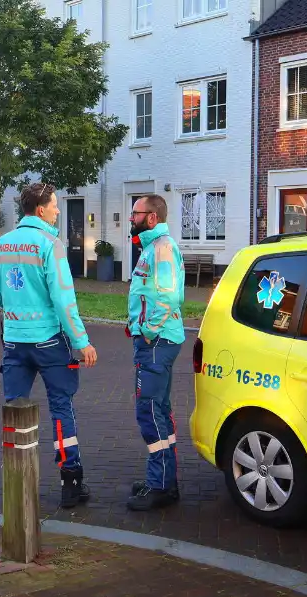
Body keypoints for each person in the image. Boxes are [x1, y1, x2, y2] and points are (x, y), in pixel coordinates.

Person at [0, 182, 98, 509]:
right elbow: (64, 300)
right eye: (54, 205)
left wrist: (17, 304)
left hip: (14, 341)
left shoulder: (1, 245)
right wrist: (82, 342)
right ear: (40, 210)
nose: (58, 210)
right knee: (61, 407)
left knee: (15, 408)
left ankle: (17, 480)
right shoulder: (51, 244)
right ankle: (71, 482)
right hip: (49, 341)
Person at [125, 193, 186, 511]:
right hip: (158, 340)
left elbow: (166, 297)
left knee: (149, 411)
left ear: (151, 217)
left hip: (156, 342)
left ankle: (160, 485)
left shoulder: (160, 248)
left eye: (135, 213)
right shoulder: (153, 247)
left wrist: (146, 332)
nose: (130, 218)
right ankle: (165, 480)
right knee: (158, 410)